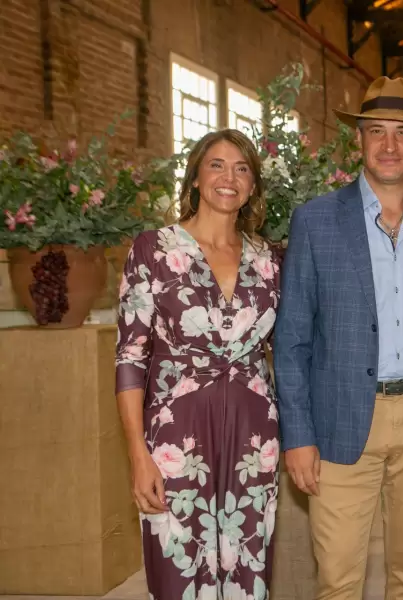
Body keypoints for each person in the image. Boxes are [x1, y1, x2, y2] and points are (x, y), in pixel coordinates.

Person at [273, 76, 403, 600]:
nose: (389, 145)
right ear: (358, 138)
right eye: (377, 131)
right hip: (340, 420)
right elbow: (291, 339)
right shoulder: (316, 222)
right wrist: (297, 435)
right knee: (338, 580)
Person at [115, 129, 281, 598]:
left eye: (242, 168)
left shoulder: (270, 260)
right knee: (178, 570)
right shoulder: (153, 250)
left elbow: (292, 348)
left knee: (247, 569)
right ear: (194, 179)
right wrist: (137, 454)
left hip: (254, 436)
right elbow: (130, 357)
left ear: (252, 188)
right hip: (176, 434)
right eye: (217, 165)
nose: (229, 177)